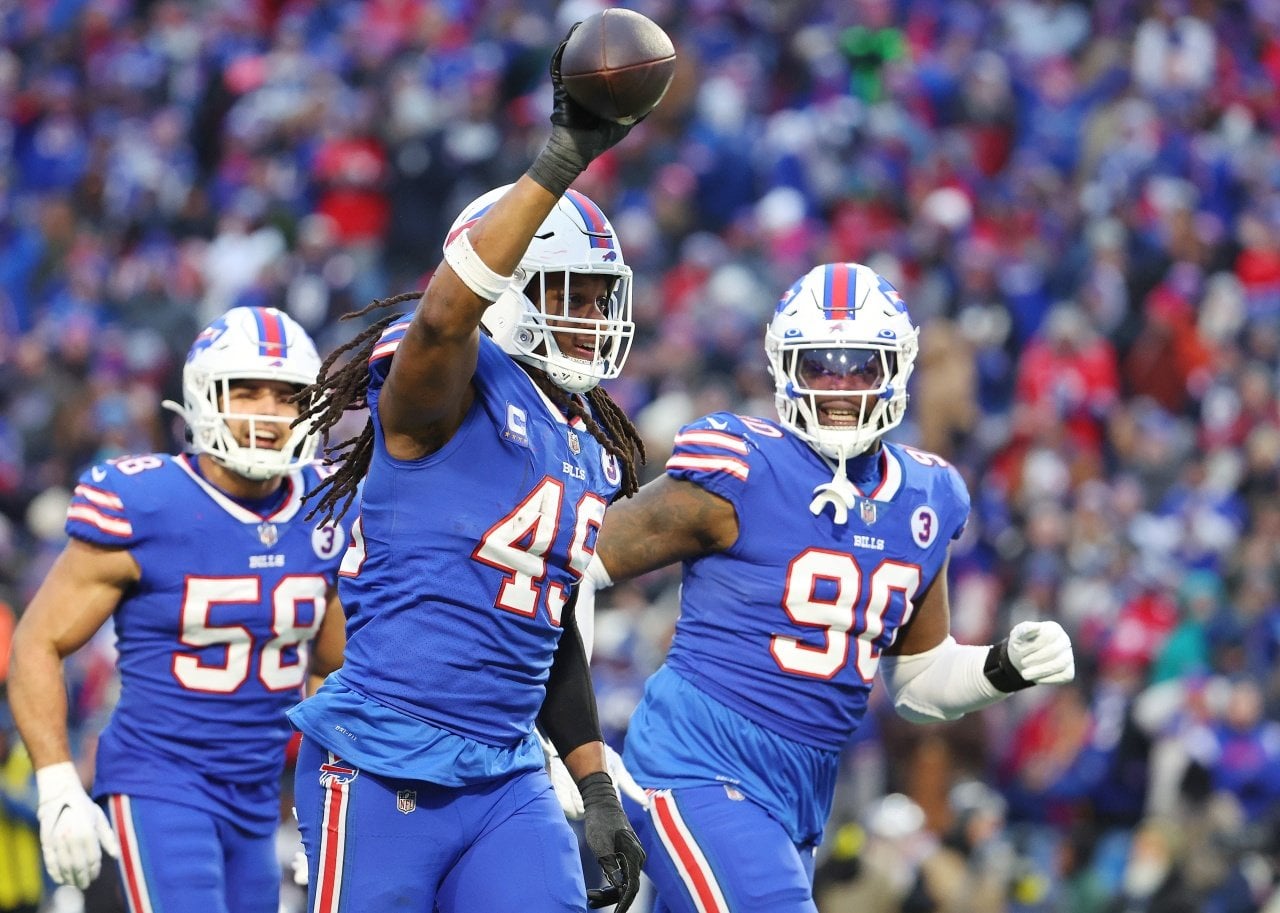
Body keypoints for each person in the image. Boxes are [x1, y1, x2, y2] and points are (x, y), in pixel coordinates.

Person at [283, 25, 649, 913]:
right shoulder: (445, 386)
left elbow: (545, 615)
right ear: (509, 288)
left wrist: (594, 780)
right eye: (573, 292)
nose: (594, 314)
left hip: (505, 774)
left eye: (602, 295)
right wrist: (560, 160)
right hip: (381, 762)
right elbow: (447, 320)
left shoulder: (586, 439)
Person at [582, 262, 1077, 913]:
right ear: (788, 368)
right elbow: (571, 563)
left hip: (800, 794)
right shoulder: (743, 468)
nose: (840, 386)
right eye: (821, 366)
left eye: (861, 366)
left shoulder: (926, 499)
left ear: (895, 369)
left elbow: (918, 682)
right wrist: (571, 738)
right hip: (695, 767)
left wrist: (1000, 667)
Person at [7, 306, 348, 912]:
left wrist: (335, 790)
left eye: (286, 395)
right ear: (201, 398)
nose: (267, 414)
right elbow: (39, 640)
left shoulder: (323, 507)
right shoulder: (146, 501)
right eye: (244, 392)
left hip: (259, 793)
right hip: (160, 782)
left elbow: (335, 671)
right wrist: (58, 783)